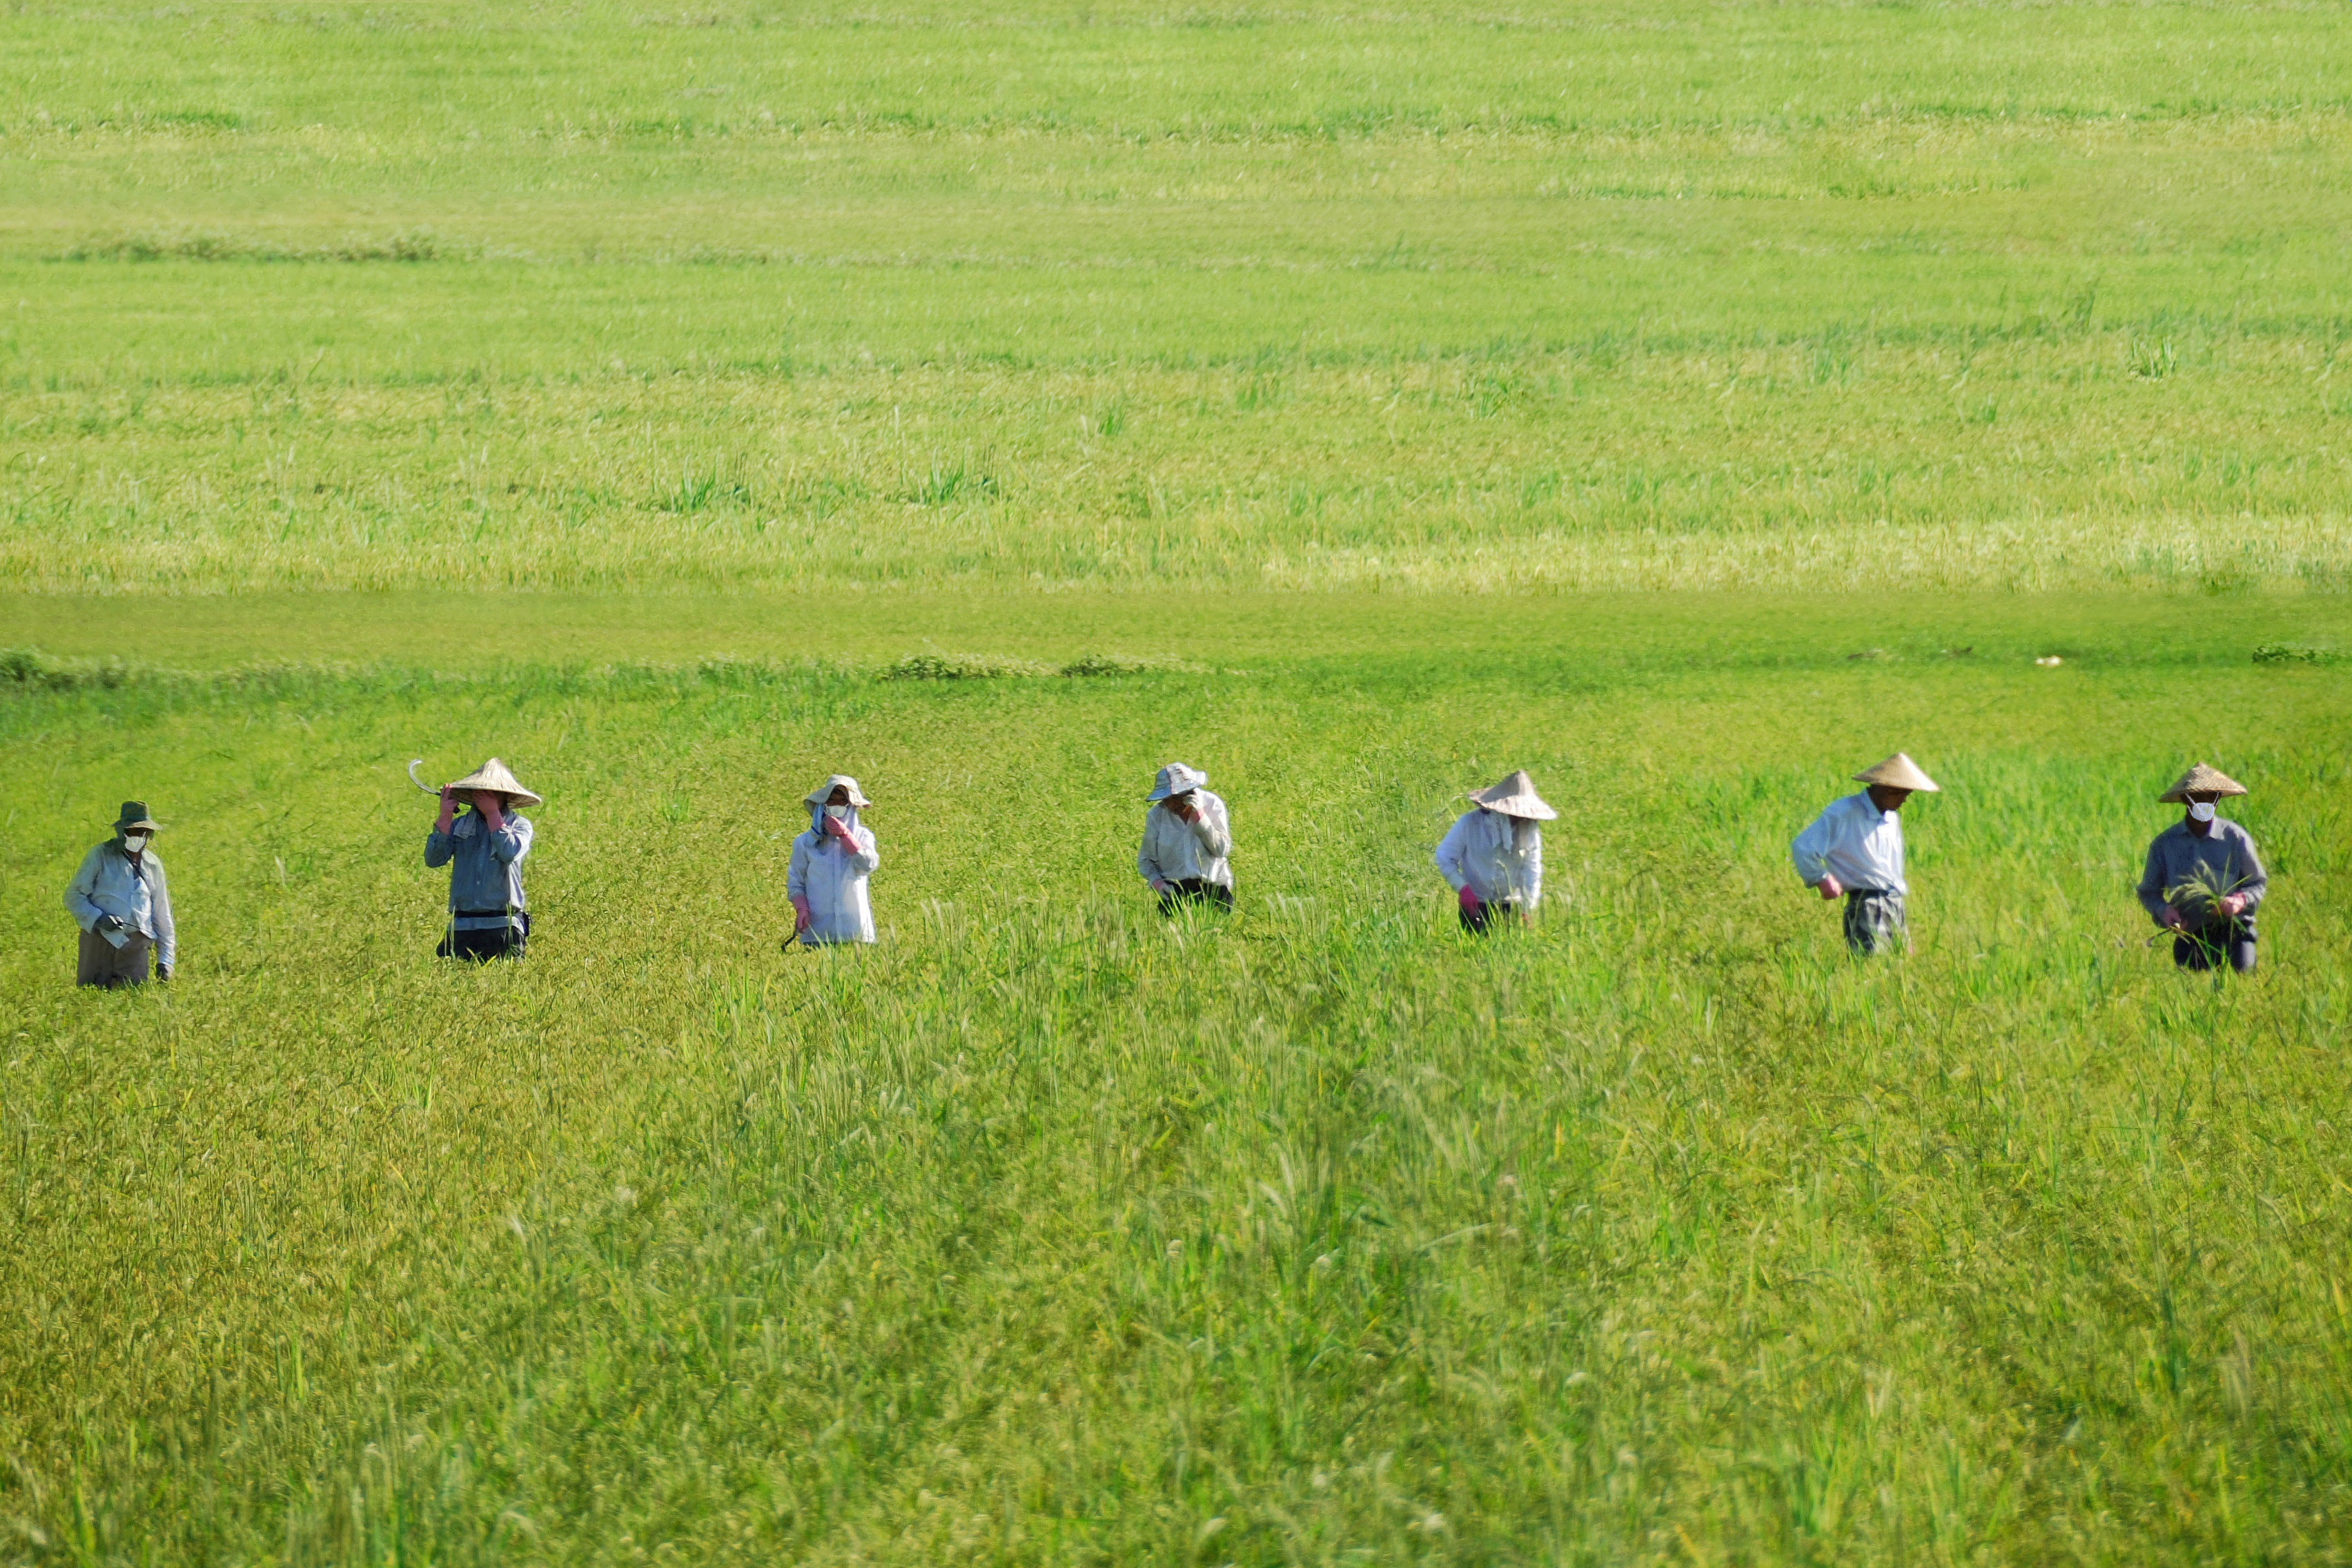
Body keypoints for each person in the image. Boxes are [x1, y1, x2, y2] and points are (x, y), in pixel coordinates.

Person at [1792, 753, 1939, 954]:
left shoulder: (1892, 819)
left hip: (1894, 902)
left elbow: (1892, 872)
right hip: (1867, 904)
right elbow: (1803, 847)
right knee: (1872, 969)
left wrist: (1904, 930)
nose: (1905, 800)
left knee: (1901, 972)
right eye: (1903, 793)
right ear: (1888, 789)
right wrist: (1821, 878)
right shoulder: (1844, 812)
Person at [2137, 763, 2266, 974]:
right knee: (2193, 984)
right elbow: (2149, 892)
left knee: (2243, 977)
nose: (2203, 803)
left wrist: (2239, 901)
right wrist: (2165, 912)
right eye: (2197, 797)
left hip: (2234, 930)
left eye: (2210, 797)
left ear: (2217, 800)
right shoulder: (2165, 844)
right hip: (2191, 932)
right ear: (2185, 800)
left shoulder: (2235, 838)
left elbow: (2257, 883)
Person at [425, 758, 538, 961]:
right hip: (462, 926)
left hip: (503, 924)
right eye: (480, 791)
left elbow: (510, 852)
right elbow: (434, 859)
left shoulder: (519, 825)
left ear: (505, 795)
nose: (484, 797)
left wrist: (493, 814)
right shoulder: (460, 826)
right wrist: (445, 818)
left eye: (492, 792)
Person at [66, 801, 175, 988]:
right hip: (99, 941)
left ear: (149, 835)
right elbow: (73, 896)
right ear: (121, 833)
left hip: (136, 947)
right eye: (132, 832)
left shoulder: (153, 865)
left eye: (143, 832)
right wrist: (99, 918)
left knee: (130, 1001)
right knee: (92, 996)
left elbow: (162, 914)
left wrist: (166, 961)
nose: (138, 837)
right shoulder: (100, 855)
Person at [1436, 770, 1552, 933]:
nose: (1519, 818)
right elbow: (1444, 857)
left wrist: (1527, 908)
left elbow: (1532, 868)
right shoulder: (1470, 824)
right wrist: (1463, 889)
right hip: (1476, 905)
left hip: (1513, 908)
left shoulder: (1529, 830)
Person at [790, 775, 881, 945]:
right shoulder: (805, 842)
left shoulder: (863, 836)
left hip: (855, 930)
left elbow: (868, 865)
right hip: (818, 931)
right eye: (831, 801)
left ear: (851, 806)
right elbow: (796, 882)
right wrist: (802, 908)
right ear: (823, 805)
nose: (836, 806)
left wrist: (846, 836)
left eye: (842, 801)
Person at [1138, 763, 1233, 914]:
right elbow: (1146, 861)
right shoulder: (1157, 816)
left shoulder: (1212, 804)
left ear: (1191, 792)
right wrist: (1157, 883)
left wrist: (1200, 818)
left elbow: (1221, 850)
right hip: (1175, 891)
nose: (1173, 804)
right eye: (1167, 799)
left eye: (1178, 797)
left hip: (1213, 887)